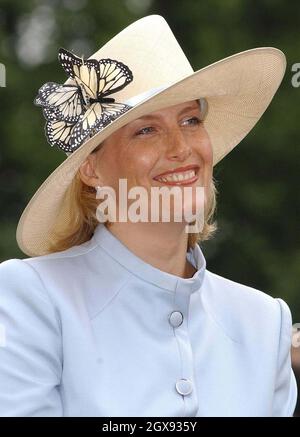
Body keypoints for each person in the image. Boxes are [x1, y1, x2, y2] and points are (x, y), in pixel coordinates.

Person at [0, 15, 297, 417]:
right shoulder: (33, 298)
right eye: (146, 130)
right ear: (91, 169)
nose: (181, 149)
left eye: (191, 120)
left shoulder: (265, 322)